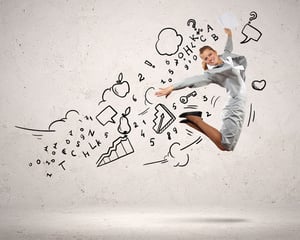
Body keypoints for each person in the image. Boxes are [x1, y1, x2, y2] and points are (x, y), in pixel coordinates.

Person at [155, 28, 247, 151]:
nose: (209, 58)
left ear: (215, 52)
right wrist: (171, 87)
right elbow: (191, 80)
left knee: (224, 146)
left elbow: (228, 48)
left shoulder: (225, 57)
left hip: (239, 102)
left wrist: (229, 35)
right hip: (236, 103)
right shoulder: (213, 73)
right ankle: (195, 119)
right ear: (204, 61)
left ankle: (192, 121)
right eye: (205, 58)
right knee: (226, 145)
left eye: (210, 54)